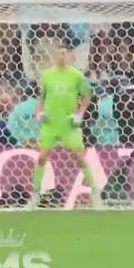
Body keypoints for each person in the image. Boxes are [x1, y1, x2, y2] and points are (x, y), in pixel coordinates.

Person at [30, 44, 100, 209]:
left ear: (69, 56)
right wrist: (39, 113)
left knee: (80, 157)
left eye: (64, 53)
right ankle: (35, 195)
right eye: (58, 53)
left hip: (69, 123)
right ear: (55, 56)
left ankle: (95, 193)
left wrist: (79, 114)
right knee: (41, 157)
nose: (61, 56)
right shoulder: (47, 76)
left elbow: (87, 96)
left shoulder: (77, 76)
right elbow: (41, 98)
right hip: (51, 123)